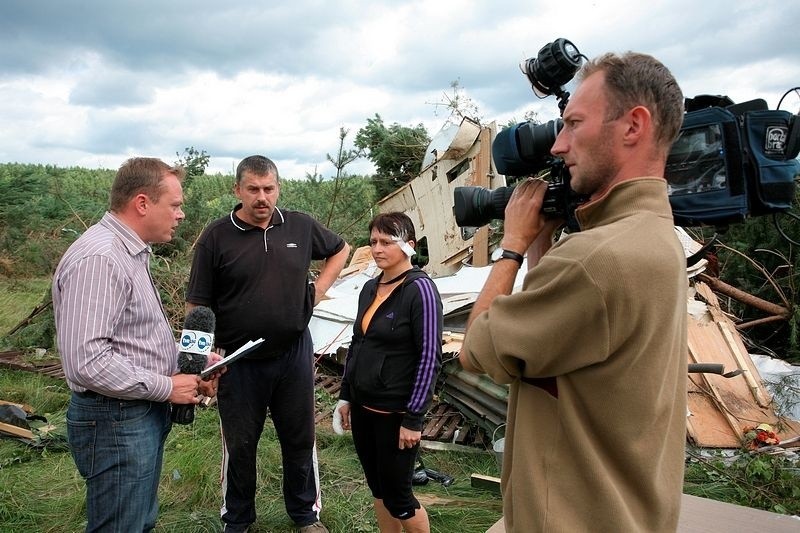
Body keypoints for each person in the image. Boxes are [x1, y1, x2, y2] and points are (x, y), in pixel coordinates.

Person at [459, 52, 688, 532]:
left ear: (633, 126)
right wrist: (544, 239)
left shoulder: (598, 260)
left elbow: (478, 349)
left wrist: (513, 245)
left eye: (573, 124)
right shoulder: (652, 236)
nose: (559, 145)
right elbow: (559, 340)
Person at [185, 155, 350, 533]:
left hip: (293, 353)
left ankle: (306, 515)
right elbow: (197, 305)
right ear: (237, 190)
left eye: (269, 189)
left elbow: (340, 249)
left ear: (278, 188)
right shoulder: (216, 237)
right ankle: (238, 519)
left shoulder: (300, 226)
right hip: (239, 360)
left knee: (300, 437)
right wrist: (198, 364)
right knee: (241, 444)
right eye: (253, 189)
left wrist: (318, 290)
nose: (262, 197)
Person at [53, 157, 215, 532]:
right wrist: (166, 387)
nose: (181, 214)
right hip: (115, 419)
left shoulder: (130, 252)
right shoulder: (102, 258)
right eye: (174, 205)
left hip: (131, 414)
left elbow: (131, 337)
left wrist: (188, 359)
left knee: (138, 520)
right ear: (143, 203)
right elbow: (87, 361)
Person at [333, 212, 442, 533]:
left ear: (409, 246)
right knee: (378, 490)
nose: (378, 249)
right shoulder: (369, 288)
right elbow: (358, 344)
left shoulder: (420, 290)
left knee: (399, 498)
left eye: (387, 242)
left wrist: (413, 419)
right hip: (365, 410)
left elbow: (429, 358)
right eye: (373, 242)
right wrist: (345, 396)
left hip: (396, 414)